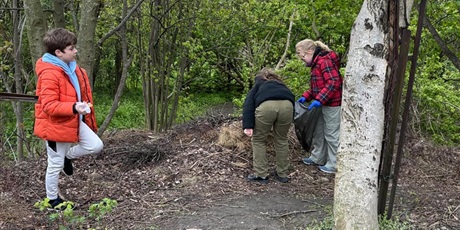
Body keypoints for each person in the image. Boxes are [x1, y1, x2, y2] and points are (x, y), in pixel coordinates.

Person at [34, 28, 104, 208]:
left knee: (96, 146)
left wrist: (80, 107)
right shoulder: (50, 73)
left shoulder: (73, 69)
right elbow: (48, 106)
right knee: (54, 165)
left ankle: (68, 157)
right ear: (58, 52)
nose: (75, 51)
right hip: (56, 126)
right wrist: (74, 107)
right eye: (71, 48)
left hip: (73, 120)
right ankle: (52, 201)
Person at [295, 39, 342, 174]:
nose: (302, 59)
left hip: (333, 104)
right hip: (322, 102)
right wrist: (306, 96)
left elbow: (334, 82)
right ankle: (318, 157)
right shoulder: (316, 64)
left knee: (332, 133)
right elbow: (317, 87)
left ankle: (333, 164)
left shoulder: (324, 61)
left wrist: (319, 99)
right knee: (319, 131)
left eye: (302, 55)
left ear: (310, 51)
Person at [242, 68, 295, 184]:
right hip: (287, 106)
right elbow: (292, 97)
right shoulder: (281, 85)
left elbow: (248, 104)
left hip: (266, 107)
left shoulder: (259, 84)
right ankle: (283, 174)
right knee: (282, 139)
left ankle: (261, 175)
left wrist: (248, 125)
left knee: (258, 140)